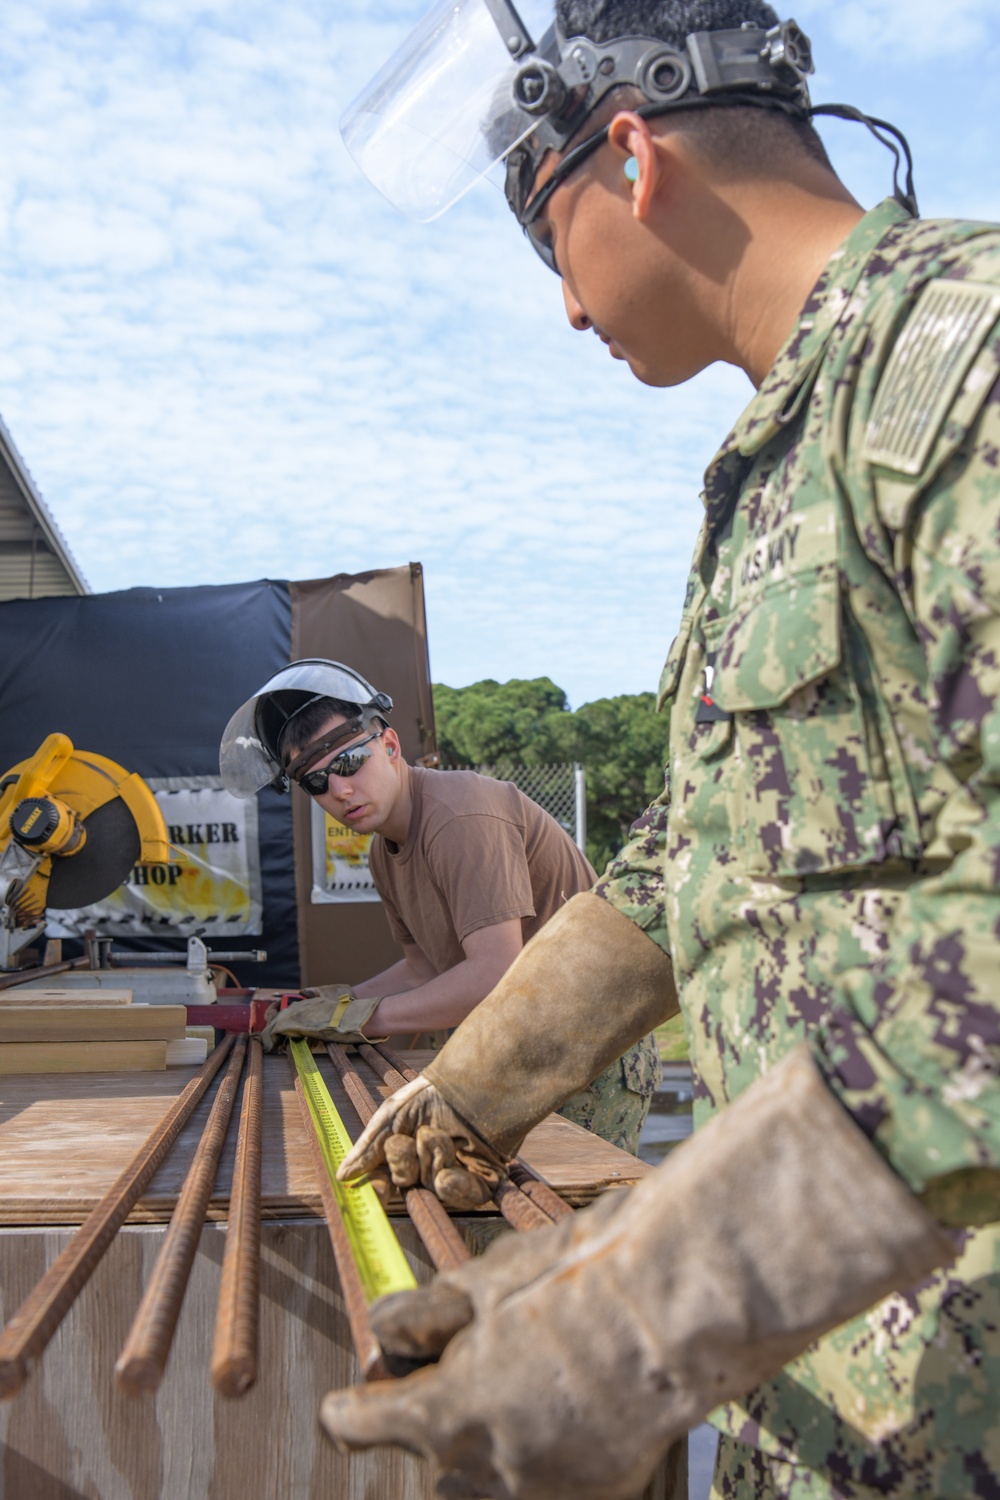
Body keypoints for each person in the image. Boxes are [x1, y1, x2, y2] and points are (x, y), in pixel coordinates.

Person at [315, 2, 1000, 1497]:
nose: (565, 309)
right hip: (830, 1382)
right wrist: (486, 1079)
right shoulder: (776, 468)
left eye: (548, 244)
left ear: (630, 156)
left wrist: (649, 1298)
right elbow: (704, 852)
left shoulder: (967, 370)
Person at [218, 658, 661, 1174]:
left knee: (570, 1232)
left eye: (349, 763)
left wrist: (357, 1018)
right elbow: (424, 967)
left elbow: (496, 974)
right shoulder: (384, 852)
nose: (339, 790)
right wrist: (339, 1000)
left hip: (588, 1048)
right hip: (518, 1045)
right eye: (317, 783)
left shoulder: (459, 815)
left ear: (389, 746)